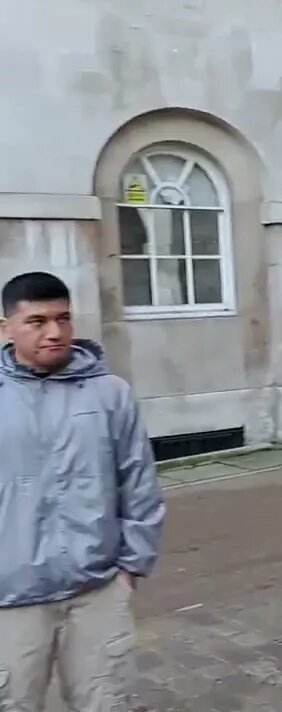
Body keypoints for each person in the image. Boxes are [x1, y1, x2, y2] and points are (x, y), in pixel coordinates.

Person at [0, 271, 166, 712]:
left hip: (96, 591)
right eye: (37, 321)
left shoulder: (110, 394)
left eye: (63, 318)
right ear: (6, 327)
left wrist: (131, 568)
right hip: (11, 601)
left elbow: (139, 483)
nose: (55, 332)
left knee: (106, 703)